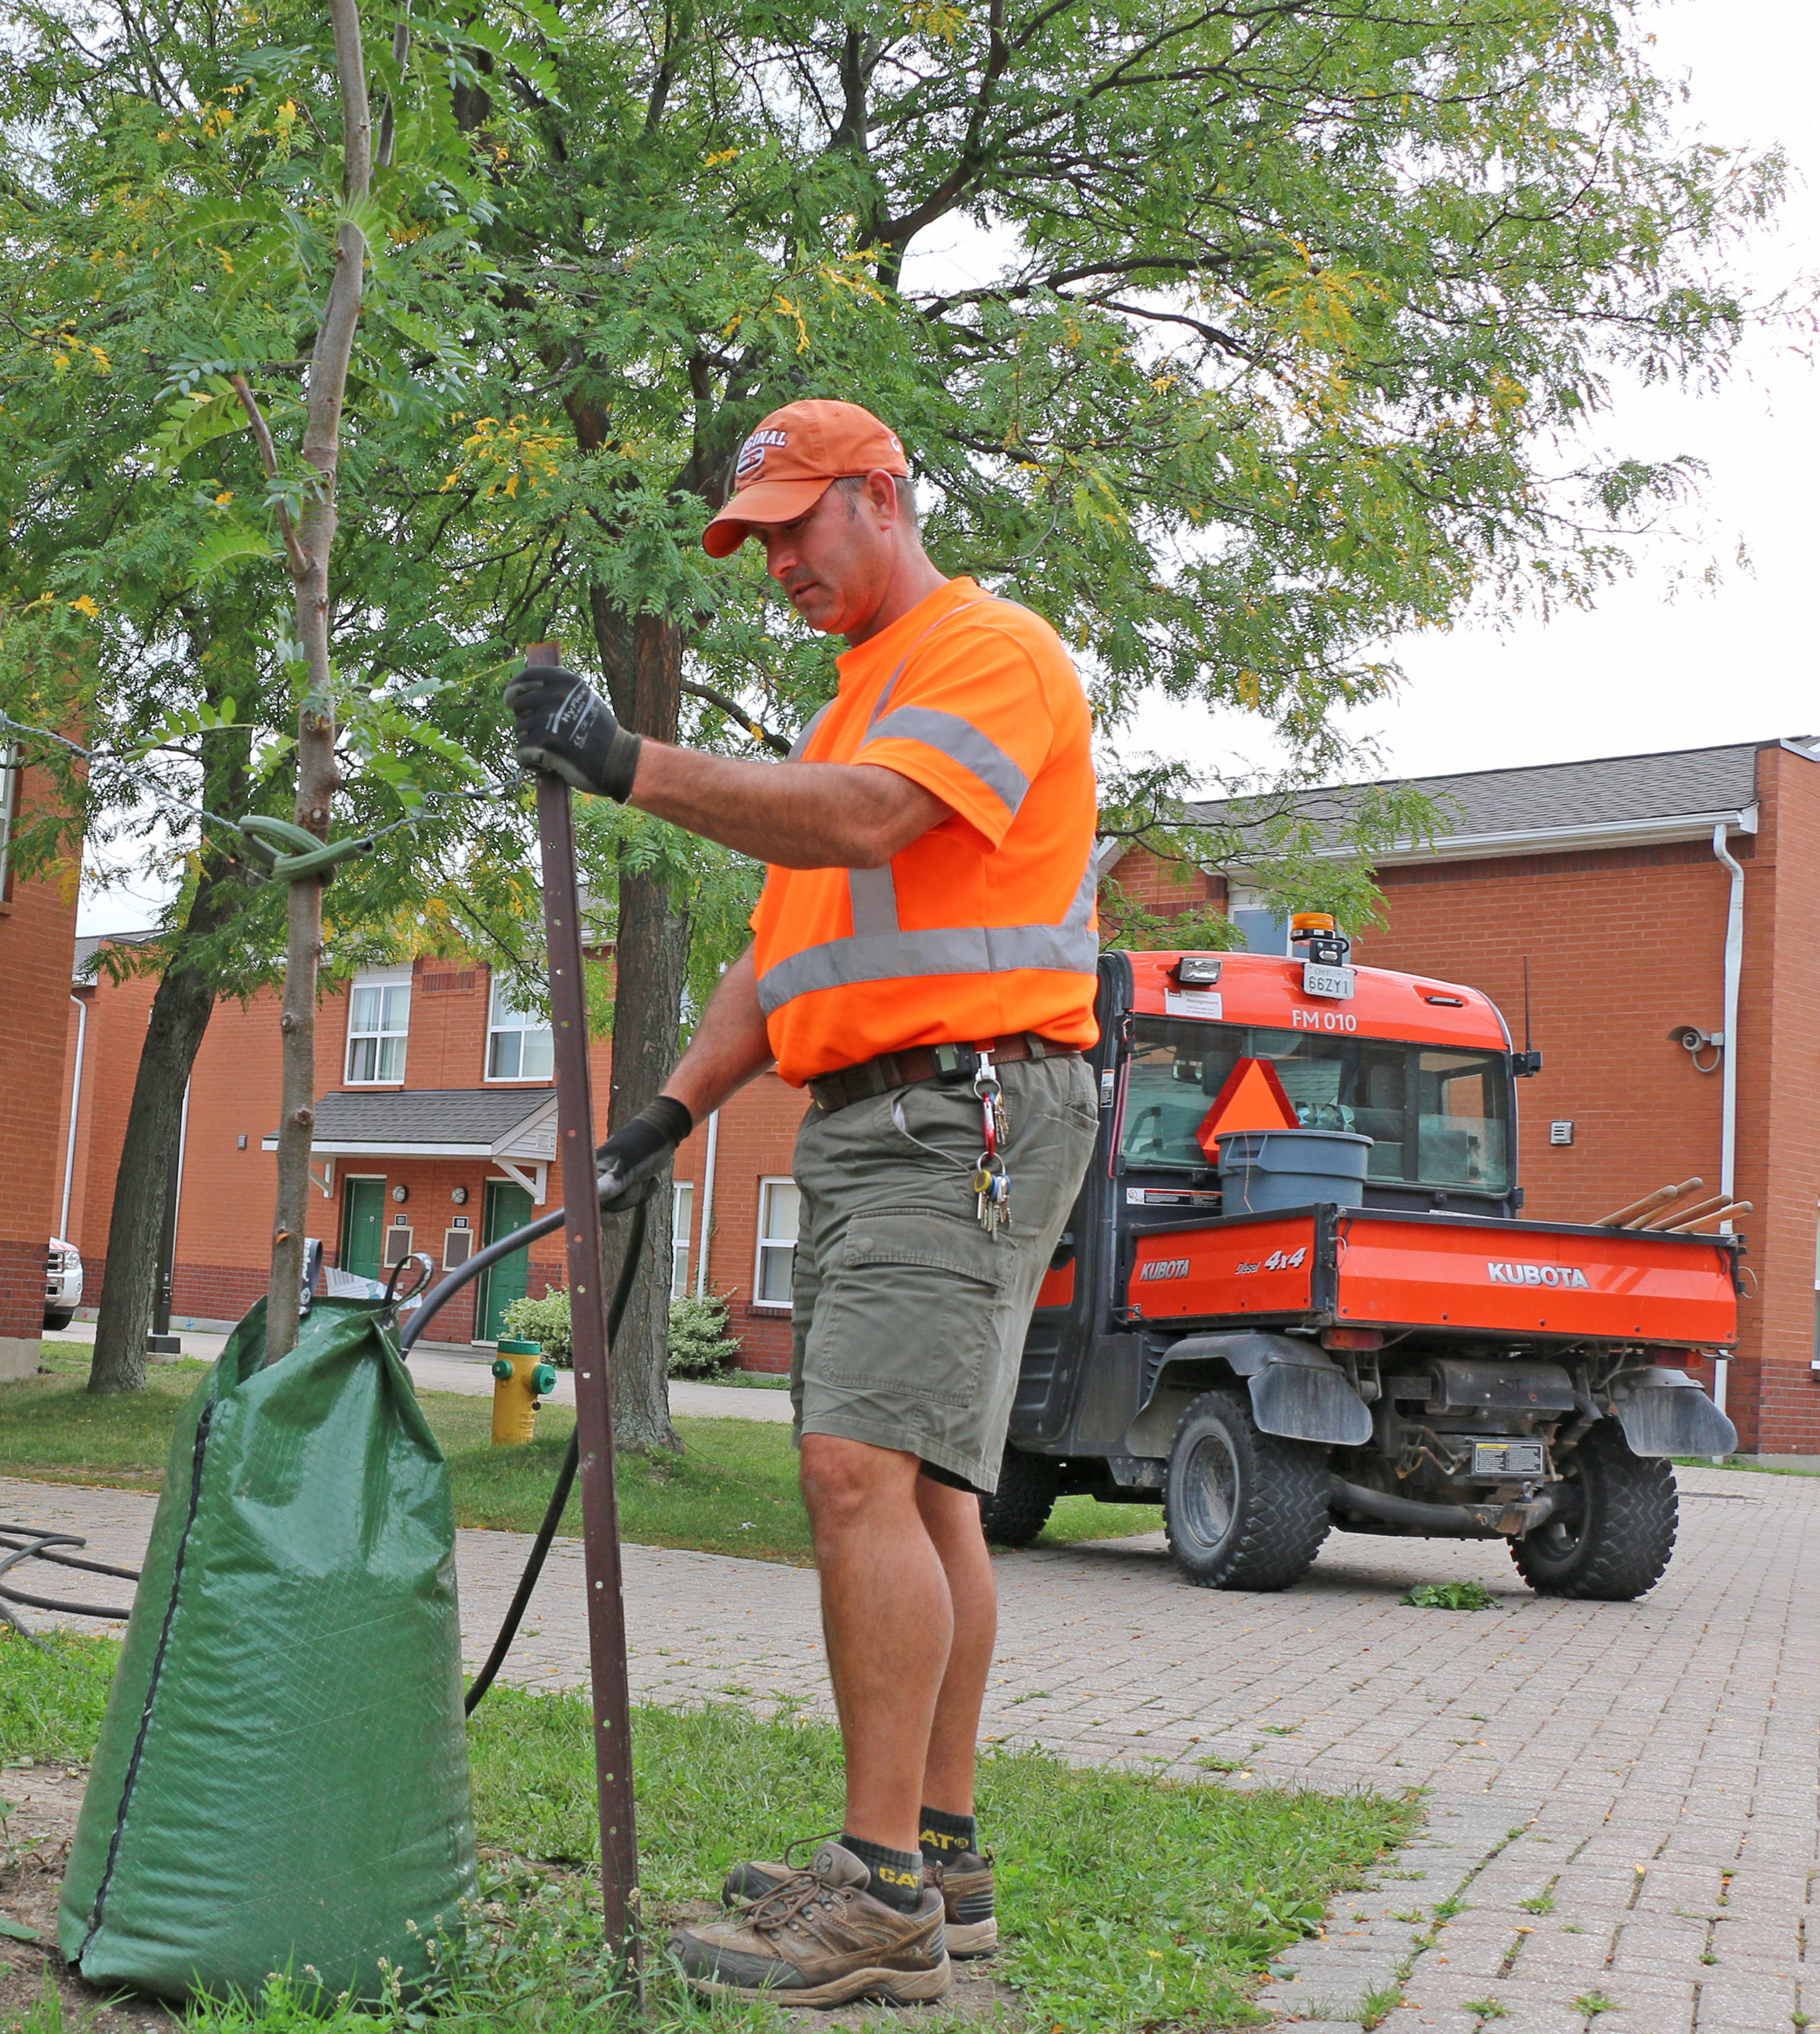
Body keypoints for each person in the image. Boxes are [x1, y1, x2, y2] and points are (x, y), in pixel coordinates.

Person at [507, 398, 1101, 2010]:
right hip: (884, 1117)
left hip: (961, 1107)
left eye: (796, 524)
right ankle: (939, 1849)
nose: (775, 561)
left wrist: (623, 761)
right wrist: (665, 1112)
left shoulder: (987, 652)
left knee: (855, 1469)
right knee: (924, 1494)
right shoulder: (855, 702)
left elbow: (870, 823)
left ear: (885, 495)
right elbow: (784, 953)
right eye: (754, 540)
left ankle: (880, 1897)